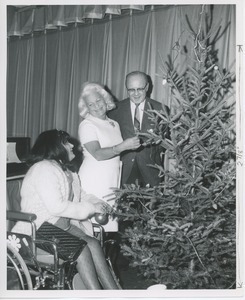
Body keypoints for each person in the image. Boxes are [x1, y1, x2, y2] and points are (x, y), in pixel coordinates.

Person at [11, 129, 120, 290]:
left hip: (59, 226)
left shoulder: (67, 171)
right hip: (37, 229)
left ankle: (114, 292)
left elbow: (80, 196)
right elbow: (56, 206)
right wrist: (91, 208)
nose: (71, 145)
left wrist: (99, 204)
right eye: (66, 142)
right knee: (81, 251)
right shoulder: (43, 168)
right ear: (55, 146)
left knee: (93, 244)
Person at [78, 82, 140, 233]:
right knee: (93, 226)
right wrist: (123, 146)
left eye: (98, 100)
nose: (97, 106)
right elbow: (98, 154)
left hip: (111, 178)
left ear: (105, 99)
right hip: (94, 179)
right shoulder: (87, 125)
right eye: (91, 104)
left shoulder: (114, 123)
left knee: (108, 228)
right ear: (86, 107)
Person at [108, 71, 164, 187]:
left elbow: (165, 142)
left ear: (147, 87)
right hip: (123, 172)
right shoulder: (115, 110)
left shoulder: (160, 109)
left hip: (151, 172)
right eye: (131, 90)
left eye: (140, 89)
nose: (136, 94)